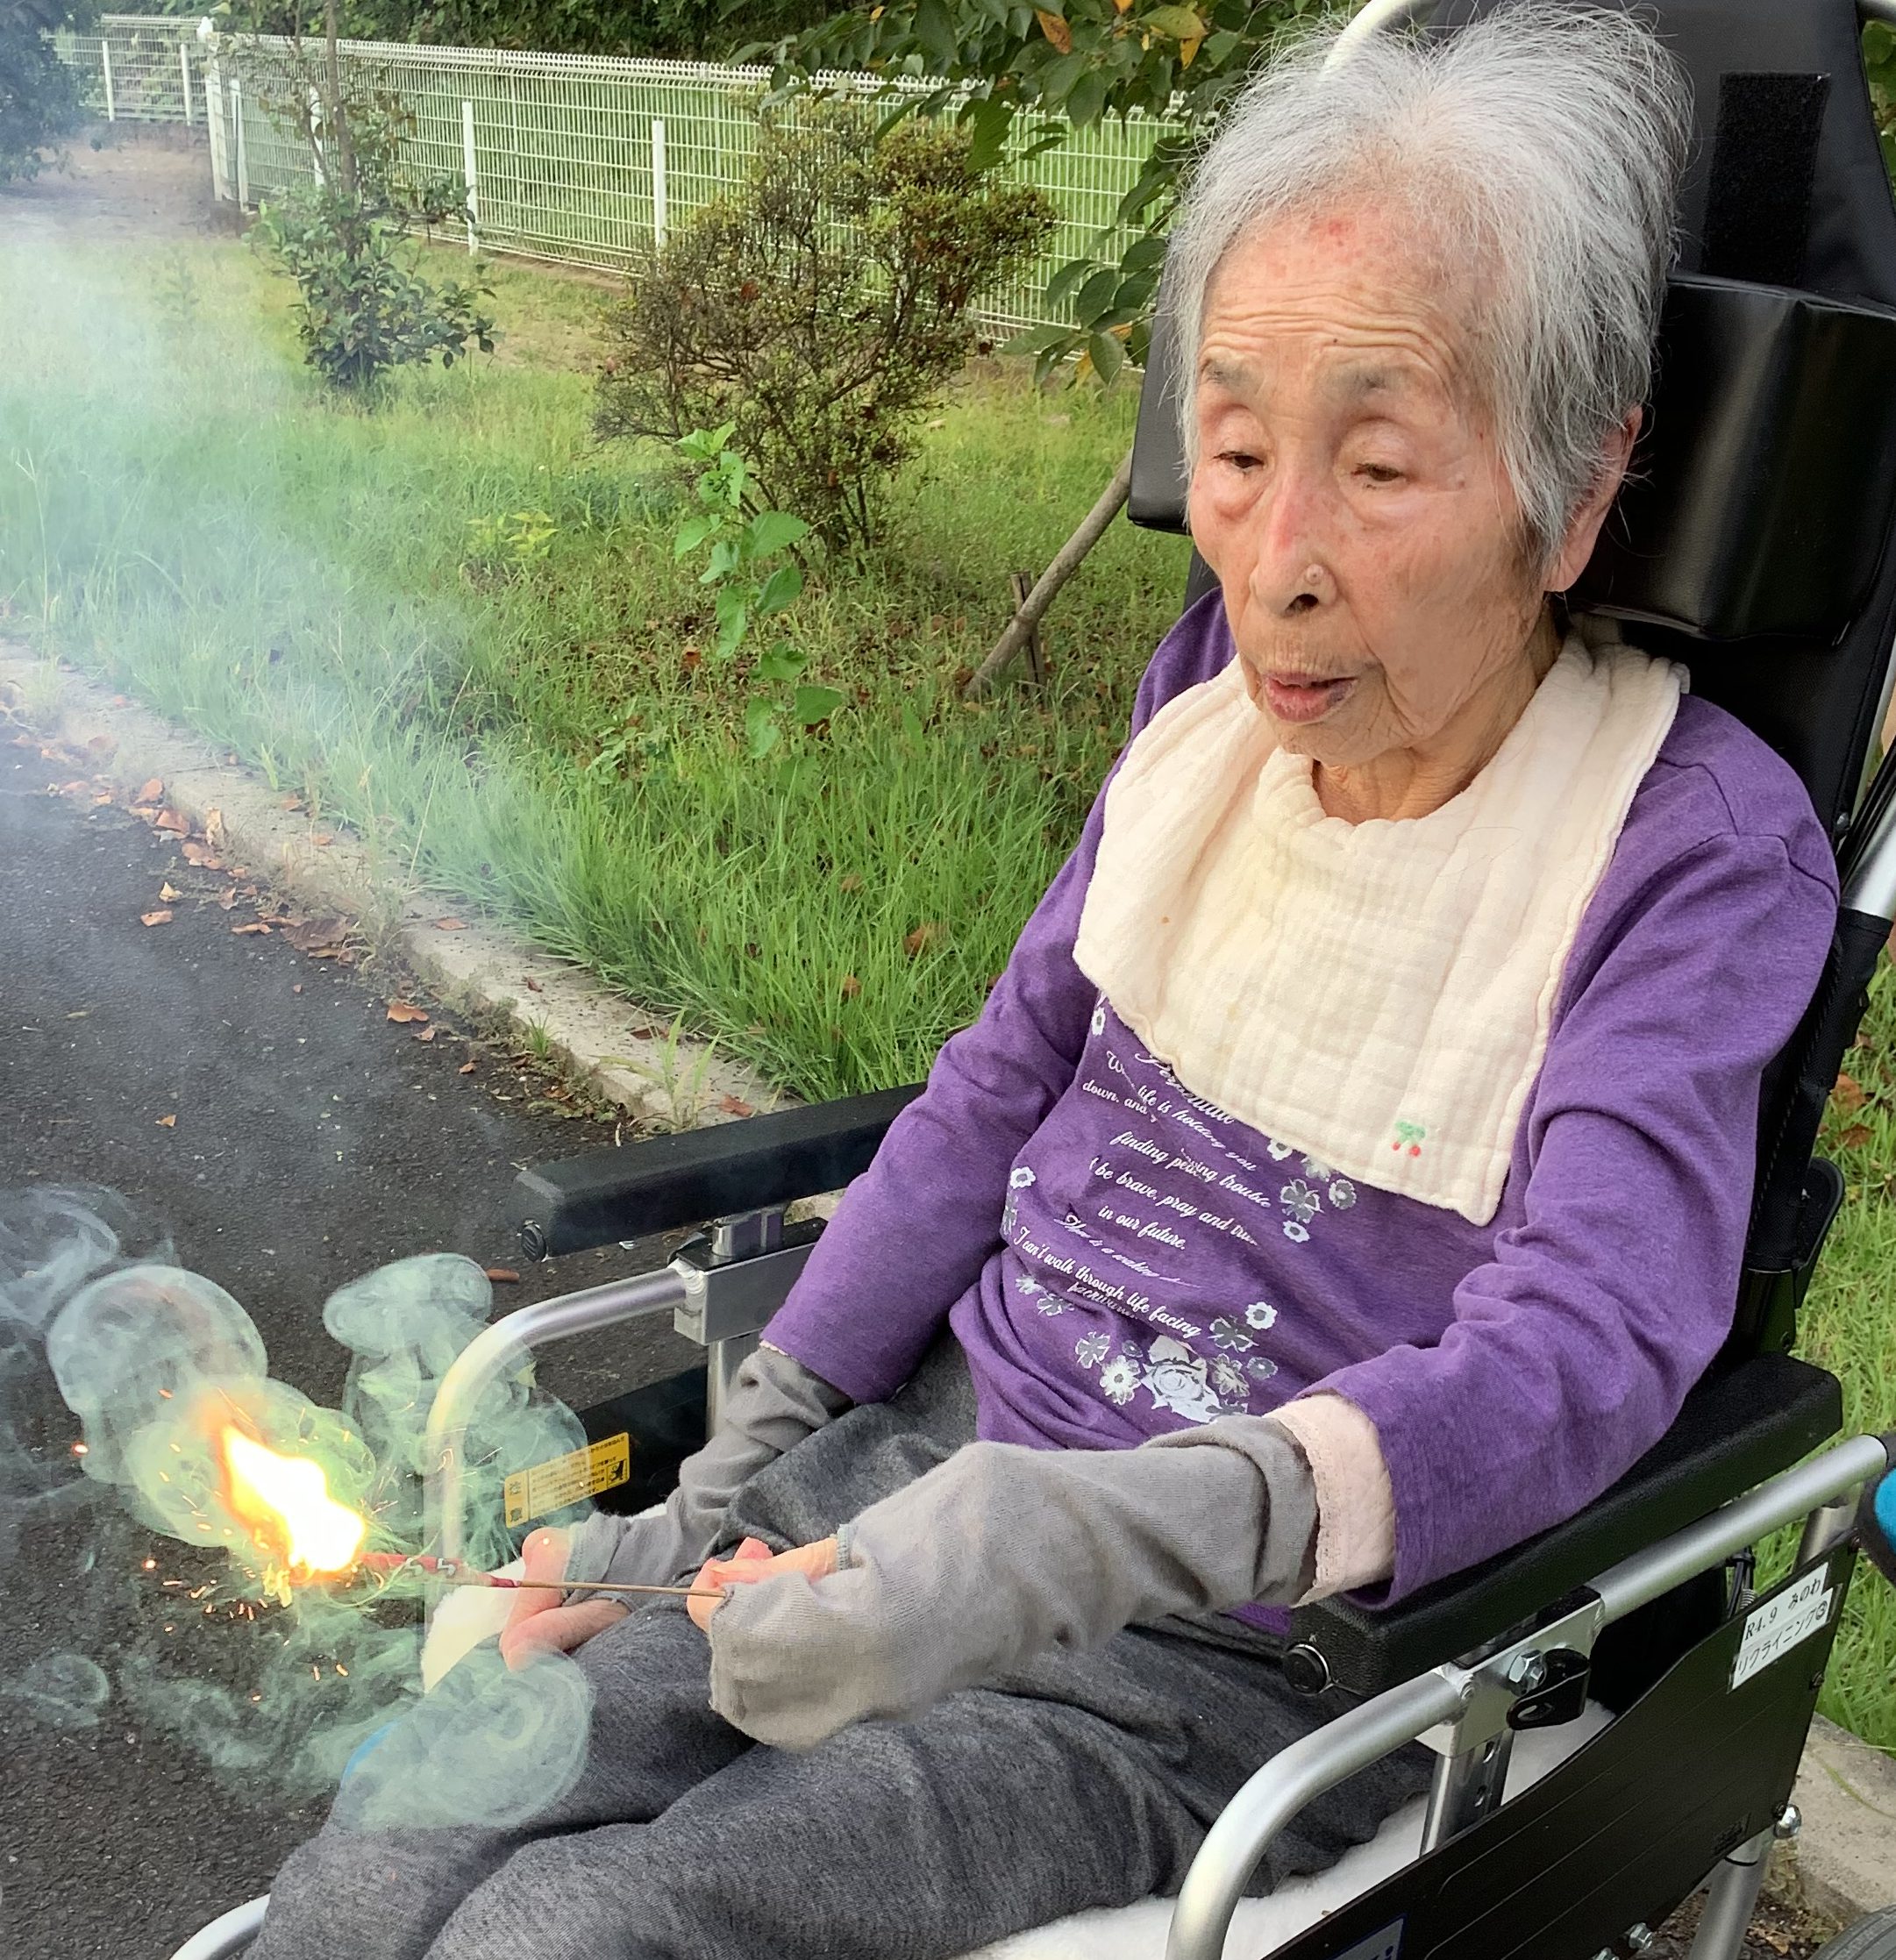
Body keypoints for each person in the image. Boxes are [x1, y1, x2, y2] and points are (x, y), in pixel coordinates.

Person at [250, 6, 1838, 1956]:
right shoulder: (1208, 704)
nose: (1276, 563)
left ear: (1578, 493)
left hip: (1210, 1655)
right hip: (898, 1493)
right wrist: (716, 1495)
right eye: (1235, 452)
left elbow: (1589, 1340)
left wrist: (1068, 1533)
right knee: (402, 1825)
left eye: (1378, 464)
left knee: (575, 1931)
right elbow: (997, 1085)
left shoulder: (1682, 846)